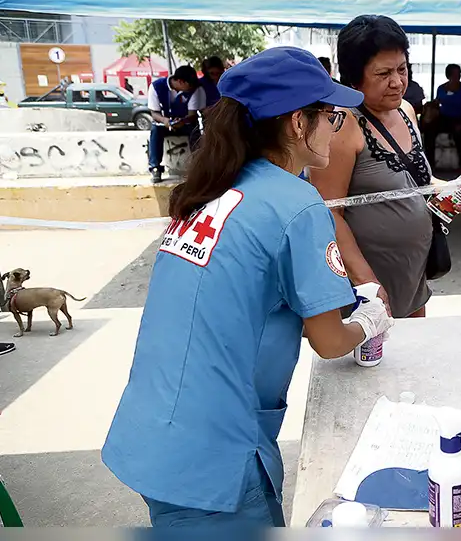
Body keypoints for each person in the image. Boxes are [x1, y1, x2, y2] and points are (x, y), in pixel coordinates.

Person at [101, 46, 393, 527]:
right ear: (299, 123)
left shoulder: (215, 189)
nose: (336, 129)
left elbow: (236, 307)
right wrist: (369, 318)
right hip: (217, 453)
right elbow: (329, 341)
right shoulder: (297, 204)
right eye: (332, 117)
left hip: (154, 431)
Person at [310, 15, 461, 319]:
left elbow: (411, 176)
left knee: (415, 358)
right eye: (383, 74)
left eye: (402, 69)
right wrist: (366, 281)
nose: (397, 82)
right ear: (354, 78)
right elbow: (329, 212)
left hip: (413, 272)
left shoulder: (406, 110)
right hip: (370, 285)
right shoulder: (342, 127)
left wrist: (444, 189)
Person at [146, 65, 205, 183]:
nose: (192, 87)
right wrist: (165, 121)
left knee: (195, 131)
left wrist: (182, 121)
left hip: (185, 123)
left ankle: (200, 166)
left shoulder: (196, 89)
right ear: (180, 81)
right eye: (190, 84)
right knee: (155, 130)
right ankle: (155, 167)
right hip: (164, 123)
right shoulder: (157, 87)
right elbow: (154, 113)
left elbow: (192, 114)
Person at [427, 63, 461, 170]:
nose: (457, 76)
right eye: (454, 74)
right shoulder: (441, 88)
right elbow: (437, 103)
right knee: (429, 132)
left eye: (459, 74)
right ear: (448, 75)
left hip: (460, 118)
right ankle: (430, 165)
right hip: (444, 117)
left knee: (460, 135)